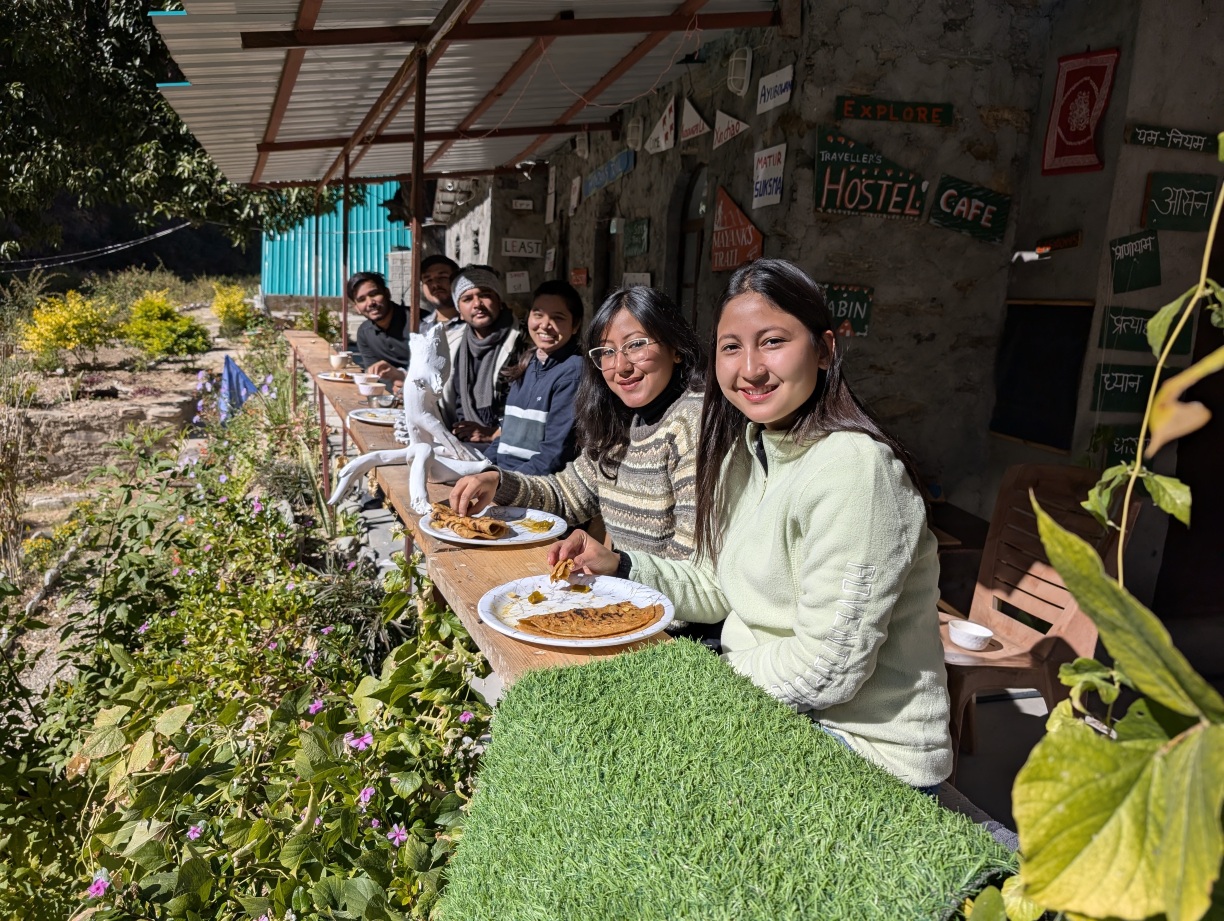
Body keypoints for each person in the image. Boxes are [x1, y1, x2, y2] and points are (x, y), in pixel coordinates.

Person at [547, 259, 953, 789]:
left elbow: (828, 666)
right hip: (770, 704)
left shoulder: (856, 469)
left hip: (860, 746)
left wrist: (699, 683)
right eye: (731, 347)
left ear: (825, 349)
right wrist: (621, 565)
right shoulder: (747, 450)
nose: (751, 369)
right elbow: (715, 586)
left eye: (773, 342)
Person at [450, 285, 703, 561]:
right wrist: (497, 482)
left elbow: (690, 560)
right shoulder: (619, 422)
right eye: (607, 351)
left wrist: (619, 565)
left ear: (675, 348)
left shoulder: (691, 423)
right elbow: (566, 496)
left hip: (646, 588)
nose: (621, 366)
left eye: (636, 345)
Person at [492, 280, 586, 474]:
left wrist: (502, 482)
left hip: (533, 482)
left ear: (575, 325)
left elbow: (554, 456)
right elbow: (505, 439)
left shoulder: (573, 373)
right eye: (538, 314)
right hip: (505, 474)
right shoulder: (528, 363)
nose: (545, 325)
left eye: (557, 318)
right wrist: (481, 467)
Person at [445, 265, 527, 445]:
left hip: (506, 443)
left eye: (485, 295)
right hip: (459, 442)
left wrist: (493, 433)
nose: (477, 304)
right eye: (467, 299)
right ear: (459, 311)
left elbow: (531, 406)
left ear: (499, 300)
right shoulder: (451, 344)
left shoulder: (523, 341)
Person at [348, 272, 409, 369]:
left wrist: (401, 375)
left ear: (387, 293)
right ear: (357, 308)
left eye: (374, 294)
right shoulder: (364, 333)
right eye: (362, 299)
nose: (370, 303)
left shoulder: (420, 322)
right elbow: (373, 373)